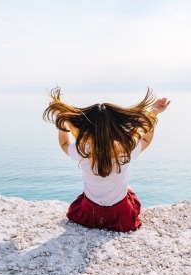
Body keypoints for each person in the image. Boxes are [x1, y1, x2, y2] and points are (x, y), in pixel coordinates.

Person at [43, 87, 170, 232]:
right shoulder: (126, 148)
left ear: (87, 128)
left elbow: (64, 144)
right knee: (129, 191)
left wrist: (62, 123)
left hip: (90, 213)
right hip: (120, 215)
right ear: (117, 127)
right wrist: (153, 113)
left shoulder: (84, 150)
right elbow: (146, 139)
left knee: (86, 197)